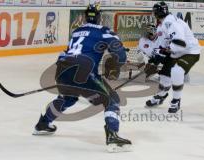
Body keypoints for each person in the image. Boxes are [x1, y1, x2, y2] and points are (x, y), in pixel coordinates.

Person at [33, 4, 132, 152]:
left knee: (68, 98)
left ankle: (43, 124)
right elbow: (119, 53)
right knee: (112, 99)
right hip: (83, 70)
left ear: (86, 17)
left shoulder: (77, 31)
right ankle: (112, 136)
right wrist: (119, 63)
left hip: (62, 67)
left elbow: (70, 50)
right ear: (99, 17)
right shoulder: (105, 31)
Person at [145, 1, 200, 113]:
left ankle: (176, 100)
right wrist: (155, 58)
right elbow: (161, 44)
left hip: (190, 52)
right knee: (165, 74)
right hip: (176, 52)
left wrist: (166, 52)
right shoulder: (162, 25)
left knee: (177, 71)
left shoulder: (170, 22)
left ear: (155, 13)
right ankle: (161, 96)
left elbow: (180, 44)